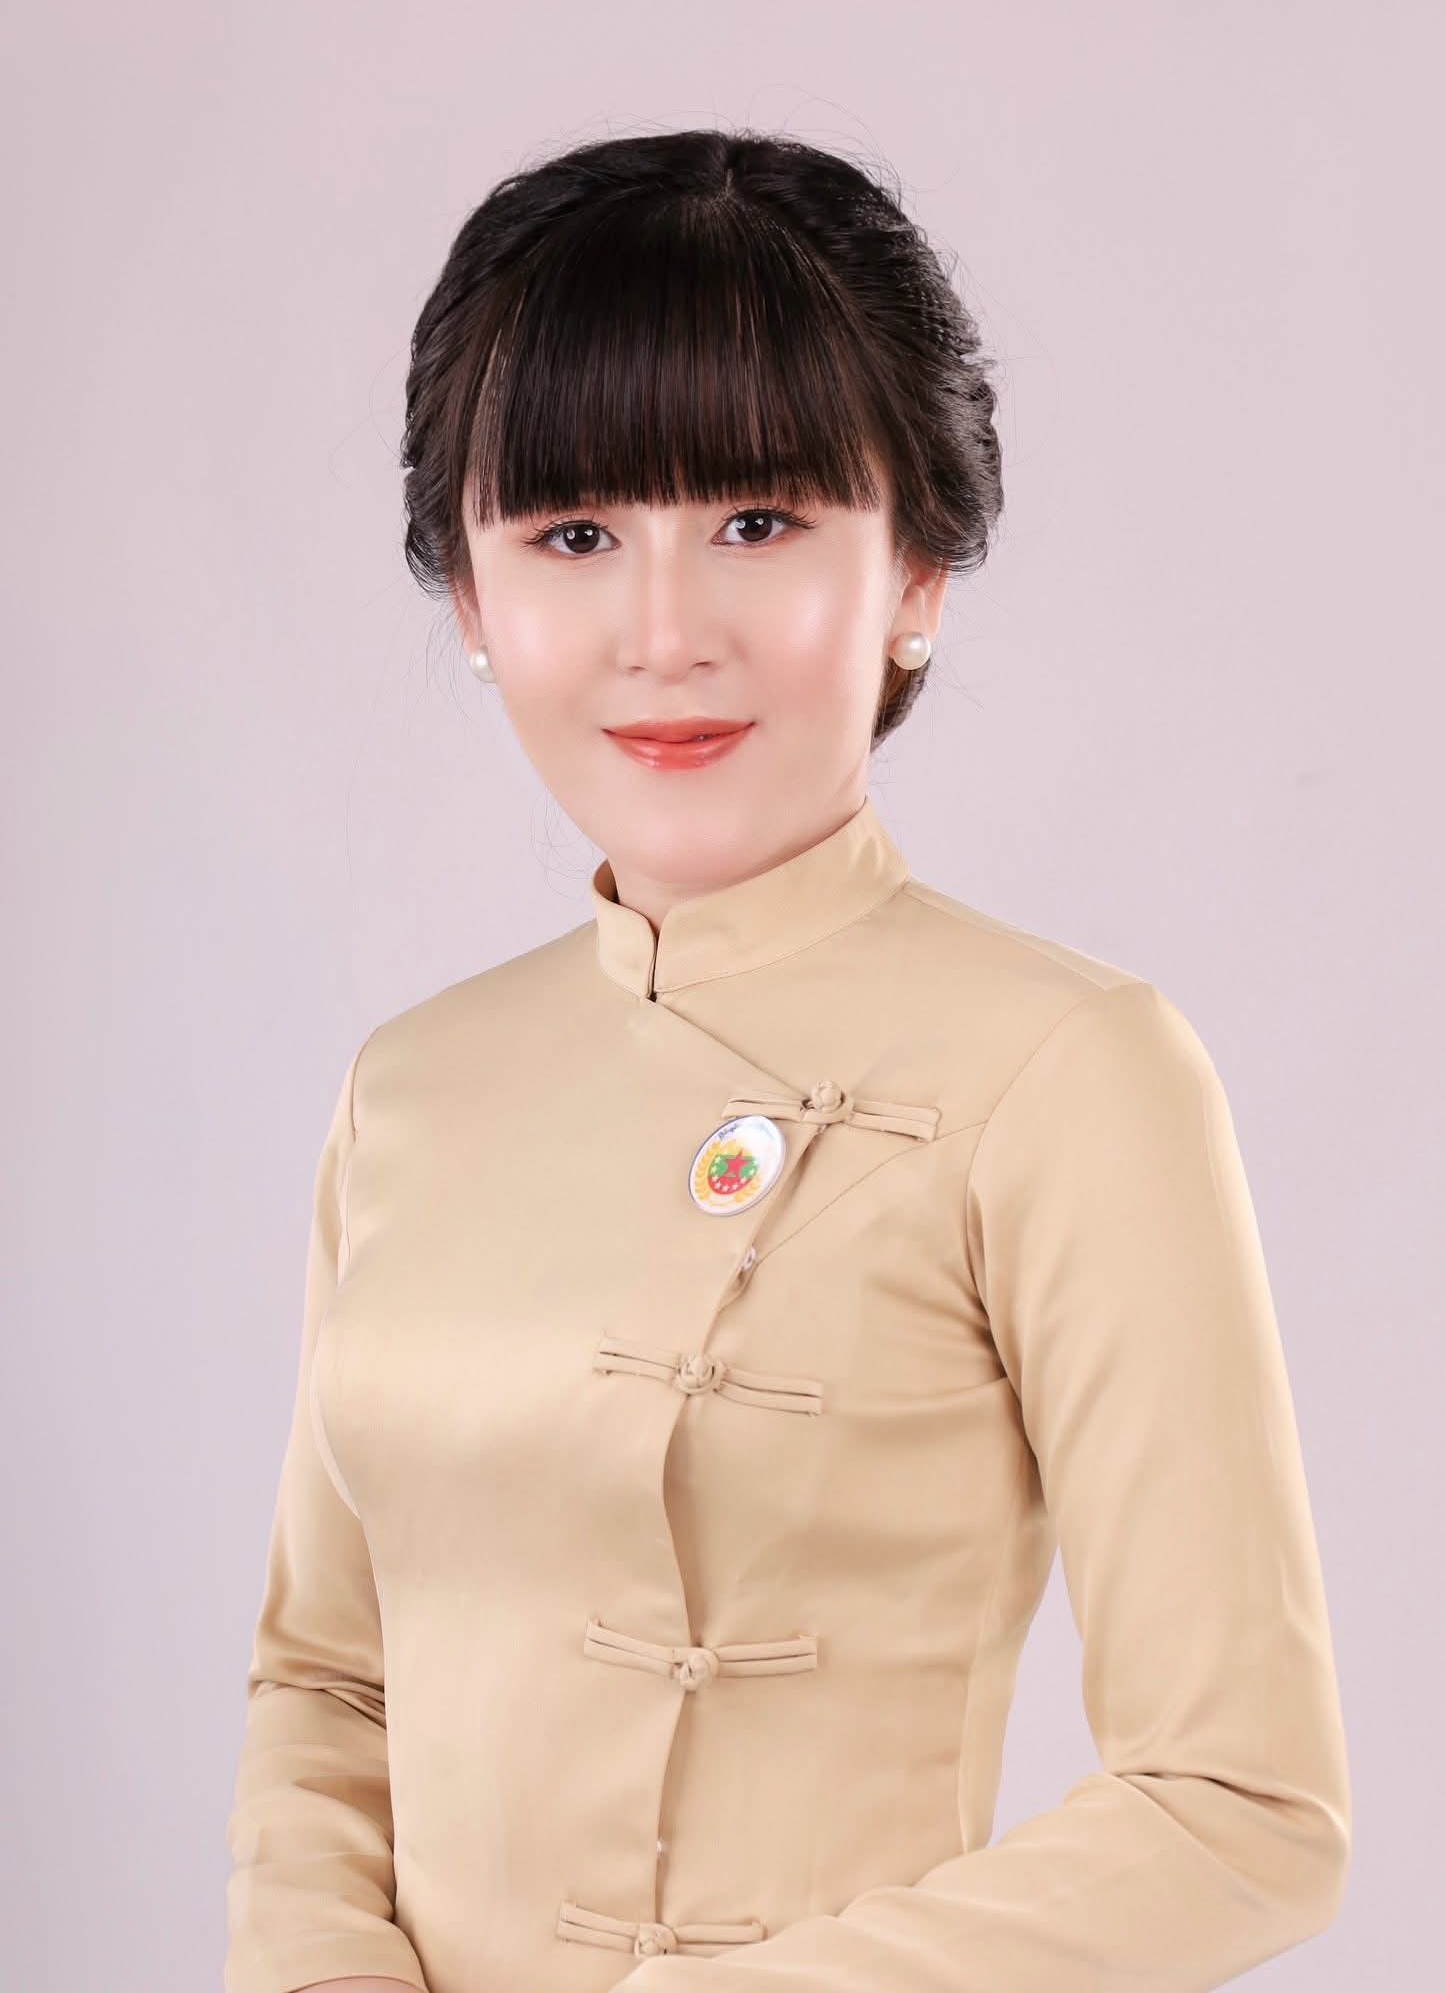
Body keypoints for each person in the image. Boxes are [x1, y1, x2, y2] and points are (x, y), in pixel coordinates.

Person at [222, 127, 1351, 1993]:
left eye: (756, 523)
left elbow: (1240, 1806)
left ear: (916, 569)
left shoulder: (1071, 1073)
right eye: (572, 537)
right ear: (471, 604)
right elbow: (327, 1683)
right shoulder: (406, 1087)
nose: (664, 635)